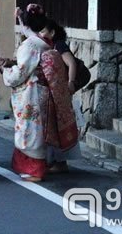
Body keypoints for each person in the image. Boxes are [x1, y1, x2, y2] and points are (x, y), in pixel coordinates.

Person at [0, 3, 51, 182]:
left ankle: (34, 170)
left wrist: (5, 71)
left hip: (31, 91)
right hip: (43, 89)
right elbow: (29, 33)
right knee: (38, 128)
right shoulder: (44, 43)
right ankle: (37, 166)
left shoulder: (29, 46)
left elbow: (20, 73)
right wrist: (22, 20)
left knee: (30, 129)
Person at [41, 19, 81, 173]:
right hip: (54, 90)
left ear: (52, 32)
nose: (41, 34)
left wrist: (71, 82)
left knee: (58, 125)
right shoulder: (48, 46)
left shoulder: (59, 45)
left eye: (44, 31)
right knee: (54, 125)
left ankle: (60, 162)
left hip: (60, 90)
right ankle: (55, 161)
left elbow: (71, 63)